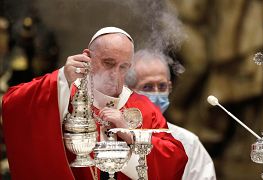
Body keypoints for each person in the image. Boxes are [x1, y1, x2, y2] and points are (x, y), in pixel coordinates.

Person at [2, 27, 188, 180]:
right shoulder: (64, 92)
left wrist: (131, 134)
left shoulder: (143, 108)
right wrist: (61, 78)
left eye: (123, 67)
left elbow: (174, 160)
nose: (115, 74)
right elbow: (13, 104)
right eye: (108, 63)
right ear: (87, 56)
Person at [125, 49, 217, 180]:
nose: (156, 94)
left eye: (162, 87)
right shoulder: (115, 138)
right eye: (147, 87)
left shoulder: (188, 143)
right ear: (128, 90)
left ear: (170, 87)